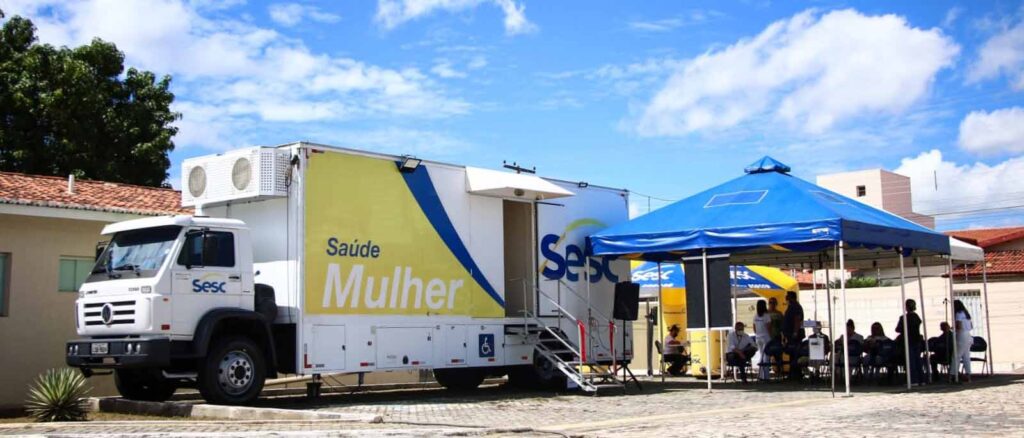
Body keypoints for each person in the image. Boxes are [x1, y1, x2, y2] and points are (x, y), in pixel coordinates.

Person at [895, 299, 924, 385]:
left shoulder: (904, 318)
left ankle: (913, 379)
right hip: (916, 340)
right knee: (917, 360)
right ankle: (921, 379)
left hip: (908, 340)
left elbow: (898, 329)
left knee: (911, 361)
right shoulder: (916, 317)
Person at [782, 291, 805, 380]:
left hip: (795, 335)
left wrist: (795, 332)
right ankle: (793, 373)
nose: (786, 298)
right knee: (792, 354)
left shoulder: (796, 307)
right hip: (790, 334)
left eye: (787, 296)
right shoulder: (791, 306)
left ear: (791, 297)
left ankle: (796, 373)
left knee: (795, 353)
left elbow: (797, 320)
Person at [953, 300, 975, 382]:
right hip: (968, 335)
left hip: (961, 335)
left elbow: (958, 326)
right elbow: (971, 326)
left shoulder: (958, 314)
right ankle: (968, 374)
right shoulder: (966, 314)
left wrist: (954, 328)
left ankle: (954, 374)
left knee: (956, 356)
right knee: (966, 357)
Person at [752, 300, 773, 380]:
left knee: (761, 355)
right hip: (766, 337)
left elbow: (754, 328)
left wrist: (758, 334)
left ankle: (761, 375)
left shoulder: (755, 316)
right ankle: (766, 376)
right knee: (766, 356)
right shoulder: (766, 316)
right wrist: (771, 337)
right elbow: (769, 328)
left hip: (758, 337)